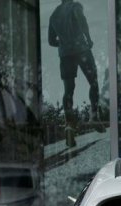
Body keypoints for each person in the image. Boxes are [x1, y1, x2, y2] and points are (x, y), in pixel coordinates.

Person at [49, 0, 100, 144]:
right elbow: (82, 20)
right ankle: (94, 116)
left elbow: (51, 41)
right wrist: (88, 39)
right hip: (81, 49)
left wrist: (64, 43)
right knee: (93, 82)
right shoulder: (75, 6)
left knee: (68, 90)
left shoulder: (54, 14)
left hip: (65, 54)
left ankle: (69, 125)